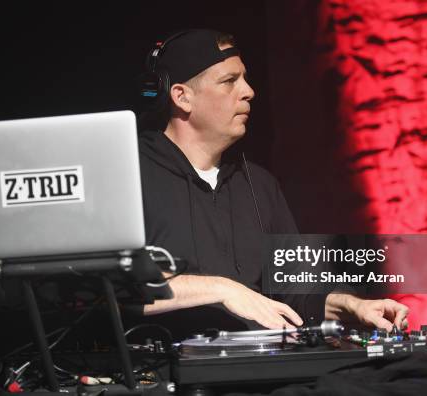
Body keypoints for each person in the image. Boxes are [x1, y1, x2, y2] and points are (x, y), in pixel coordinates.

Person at [134, 29, 408, 338]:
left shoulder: (260, 184)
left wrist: (348, 304)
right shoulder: (131, 176)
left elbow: (296, 289)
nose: (248, 91)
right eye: (229, 81)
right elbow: (101, 289)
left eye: (245, 79)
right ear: (182, 97)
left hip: (259, 371)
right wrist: (222, 289)